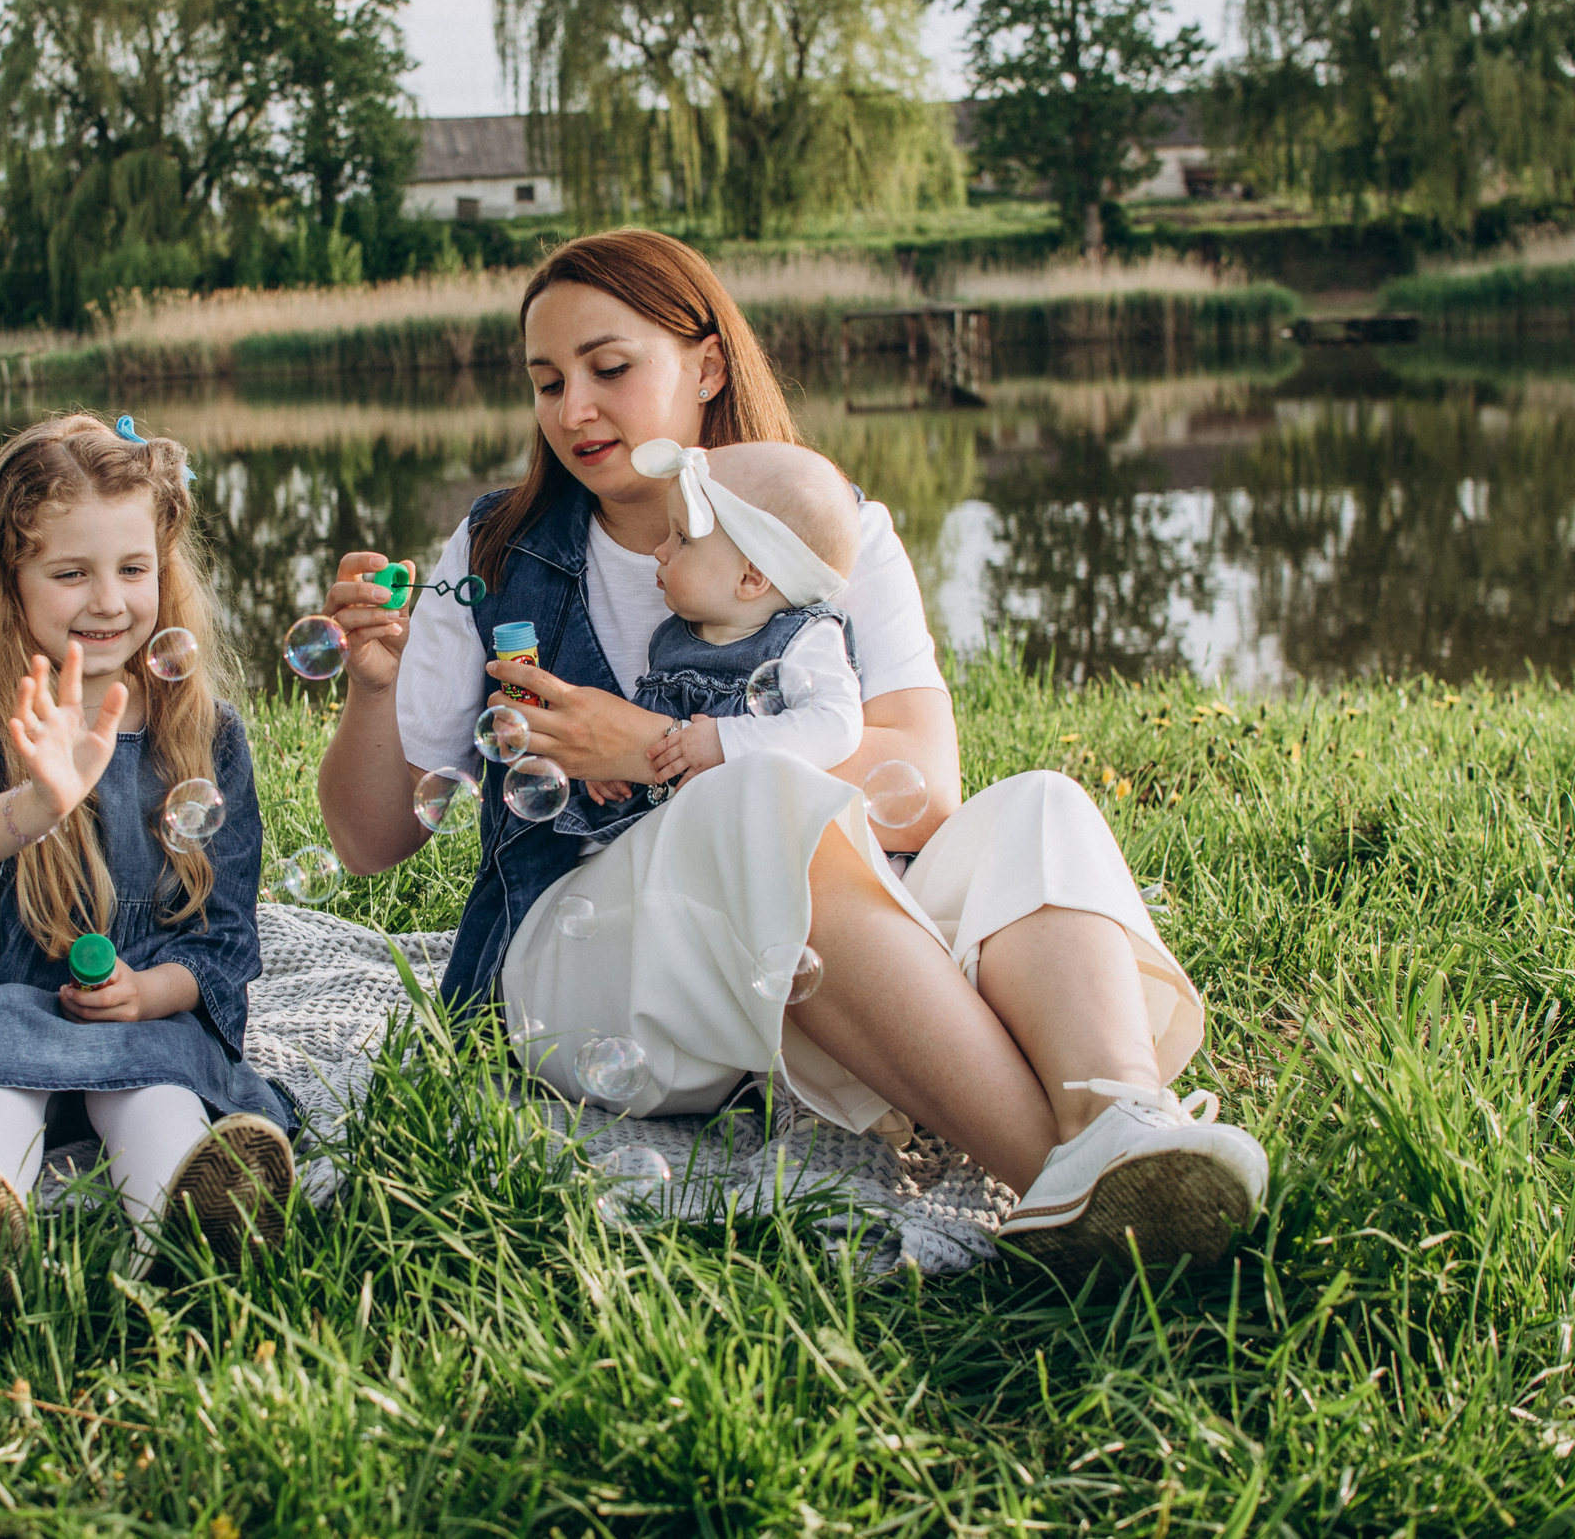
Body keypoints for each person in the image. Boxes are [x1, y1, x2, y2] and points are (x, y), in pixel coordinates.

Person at [309, 229, 1268, 1275]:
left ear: (707, 366)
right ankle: (1062, 1182)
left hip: (796, 952)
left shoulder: (831, 530)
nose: (572, 408)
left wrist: (657, 746)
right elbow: (368, 841)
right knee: (755, 795)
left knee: (1038, 804)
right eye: (547, 382)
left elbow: (922, 787)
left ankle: (1122, 1121)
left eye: (609, 368)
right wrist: (374, 687)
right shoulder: (497, 551)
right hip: (583, 971)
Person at [0, 412, 297, 1277]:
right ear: (9, 578)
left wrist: (148, 992)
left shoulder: (204, 730)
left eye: (133, 569)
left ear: (164, 569)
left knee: (158, 1097)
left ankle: (186, 1236)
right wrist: (36, 802)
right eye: (71, 572)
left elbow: (224, 942)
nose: (108, 600)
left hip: (142, 1021)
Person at [572, 437, 866, 833]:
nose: (660, 551)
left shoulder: (804, 639)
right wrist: (618, 766)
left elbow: (837, 724)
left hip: (751, 835)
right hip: (669, 836)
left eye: (682, 538)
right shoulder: (670, 639)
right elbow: (654, 740)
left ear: (750, 578)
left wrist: (725, 742)